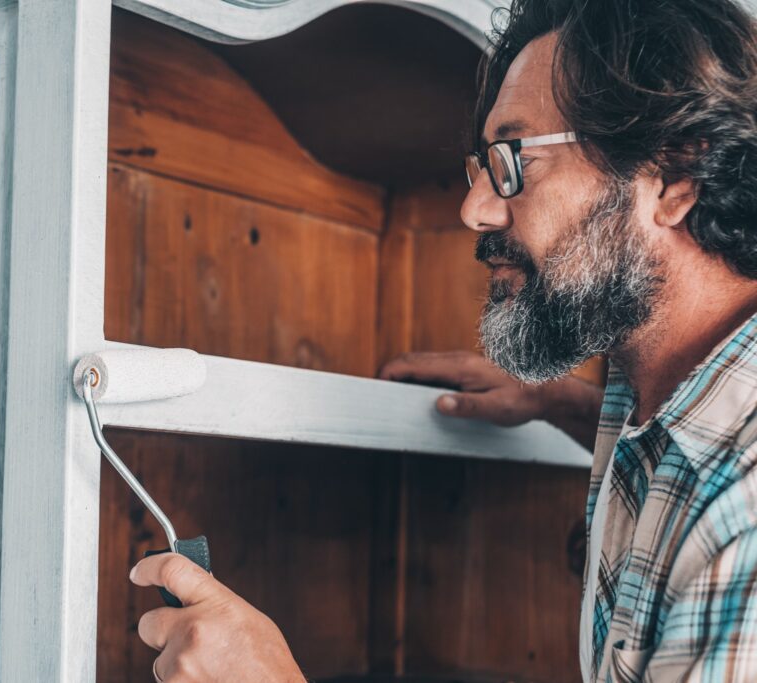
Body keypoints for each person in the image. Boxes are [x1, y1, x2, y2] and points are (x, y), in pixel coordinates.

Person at [130, 0, 757, 680]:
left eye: (512, 159)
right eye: (480, 166)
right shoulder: (659, 392)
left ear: (672, 178)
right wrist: (562, 405)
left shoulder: (743, 513)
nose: (474, 208)